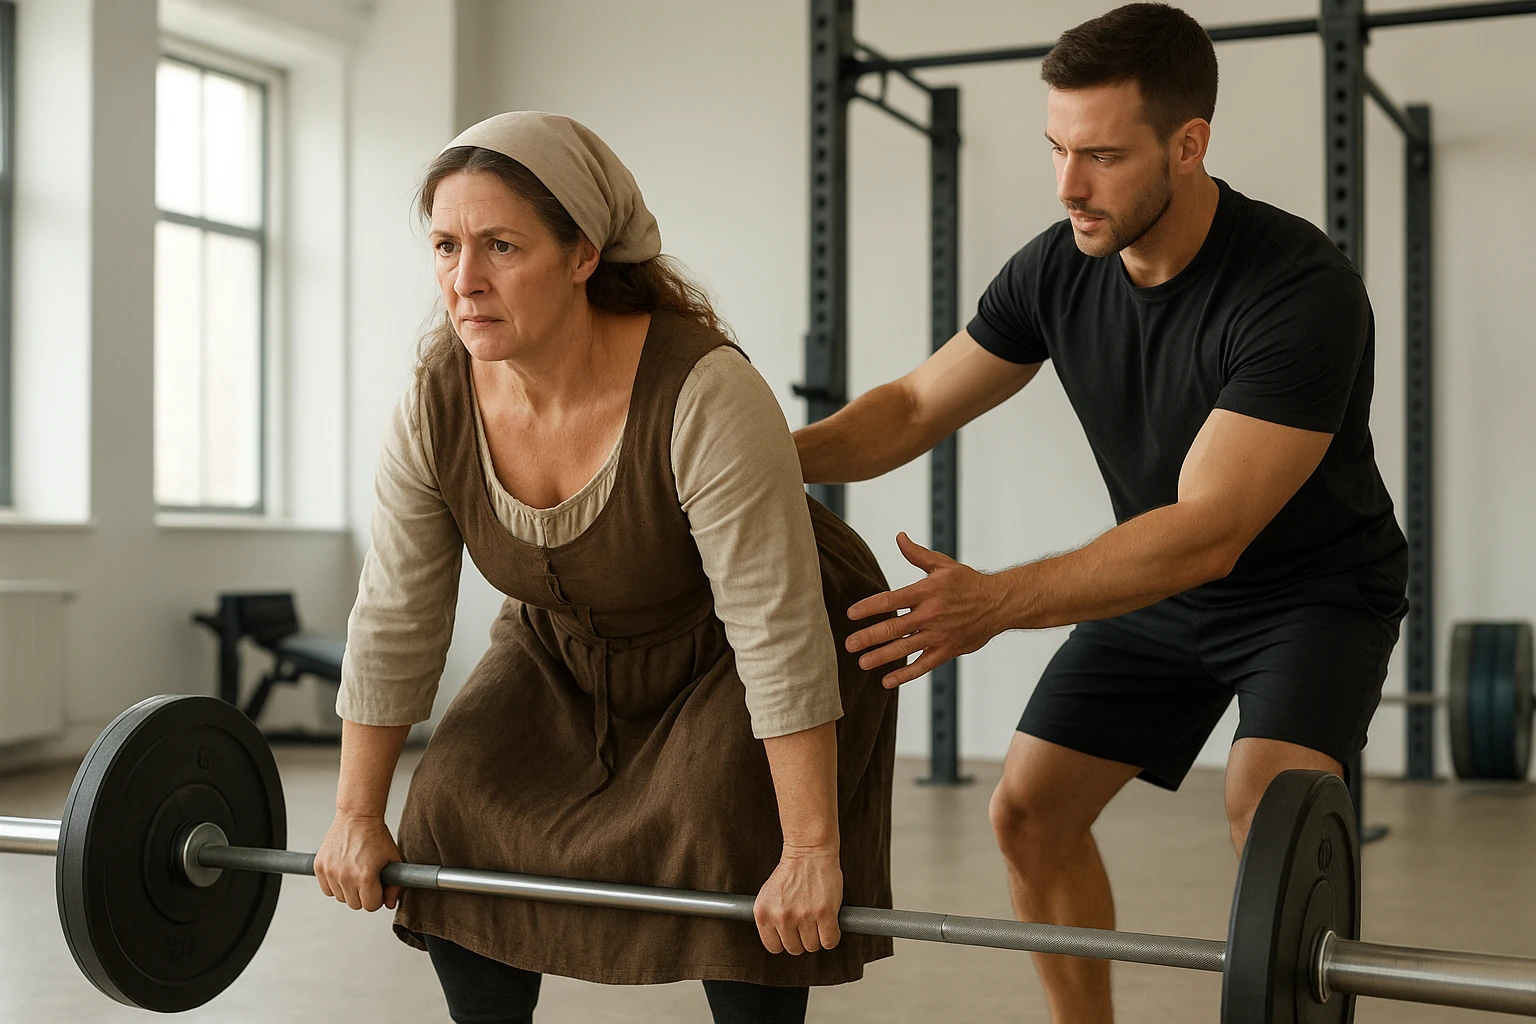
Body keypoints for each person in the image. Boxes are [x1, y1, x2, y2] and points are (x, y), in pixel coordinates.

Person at [793, 5, 1408, 1021]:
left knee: (1269, 812)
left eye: (1103, 156)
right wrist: (749, 459)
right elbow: (910, 407)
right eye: (1057, 150)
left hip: (1310, 594)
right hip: (1158, 585)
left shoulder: (1300, 291)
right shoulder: (1059, 265)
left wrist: (993, 602)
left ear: (1189, 144)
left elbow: (1213, 525)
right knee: (1028, 812)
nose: (1069, 185)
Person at [314, 111, 898, 1024]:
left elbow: (774, 631)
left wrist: (813, 849)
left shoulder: (705, 391)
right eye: (444, 246)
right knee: (455, 800)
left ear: (583, 253)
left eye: (500, 246)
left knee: (726, 829)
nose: (463, 282)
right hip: (566, 641)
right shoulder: (435, 405)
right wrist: (356, 813)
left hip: (732, 643)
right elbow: (396, 614)